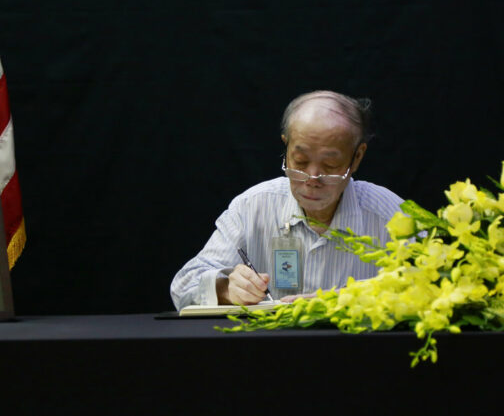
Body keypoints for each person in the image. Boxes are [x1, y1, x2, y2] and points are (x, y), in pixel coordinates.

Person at [170, 90, 404, 311]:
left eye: (330, 166)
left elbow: (432, 290)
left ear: (357, 157)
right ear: (286, 147)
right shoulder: (253, 207)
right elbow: (182, 287)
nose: (312, 179)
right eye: (300, 162)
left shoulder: (391, 216)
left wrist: (354, 297)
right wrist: (225, 289)